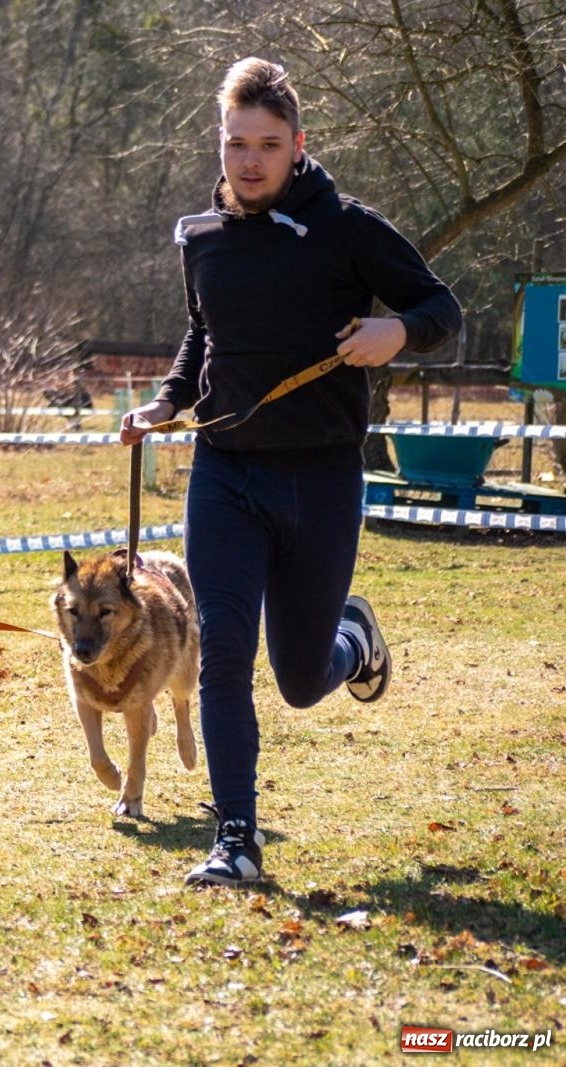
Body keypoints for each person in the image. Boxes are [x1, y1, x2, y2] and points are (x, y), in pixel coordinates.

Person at [119, 58, 460, 886]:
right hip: (226, 474)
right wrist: (166, 404)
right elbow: (203, 337)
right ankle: (237, 838)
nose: (251, 160)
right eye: (237, 143)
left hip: (319, 478)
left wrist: (398, 336)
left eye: (269, 144)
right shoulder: (200, 239)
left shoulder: (345, 227)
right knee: (223, 651)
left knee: (302, 678)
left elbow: (441, 310)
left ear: (298, 145)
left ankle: (354, 636)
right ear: (221, 143)